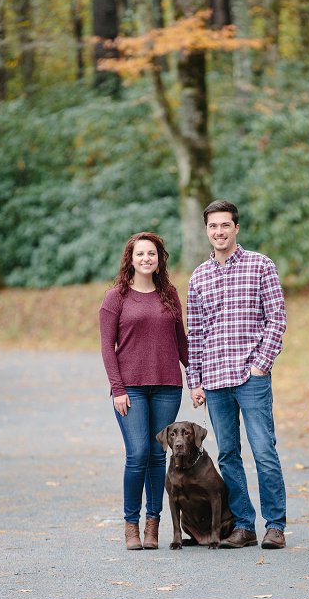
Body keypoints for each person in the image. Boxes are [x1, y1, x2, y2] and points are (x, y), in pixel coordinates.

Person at [185, 200, 288, 550]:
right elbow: (195, 334)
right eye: (213, 226)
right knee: (228, 455)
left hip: (251, 377)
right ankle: (244, 525)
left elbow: (277, 318)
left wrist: (261, 364)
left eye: (225, 225)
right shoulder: (198, 277)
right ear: (207, 231)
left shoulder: (261, 266)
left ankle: (275, 525)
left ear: (236, 228)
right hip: (214, 382)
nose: (219, 231)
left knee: (263, 451)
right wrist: (194, 381)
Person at [99, 232, 188, 550]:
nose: (146, 258)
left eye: (152, 253)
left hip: (167, 387)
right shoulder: (116, 297)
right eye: (140, 254)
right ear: (131, 258)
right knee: (137, 454)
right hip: (131, 389)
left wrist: (197, 377)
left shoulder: (170, 294)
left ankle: (153, 525)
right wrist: (117, 388)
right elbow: (107, 349)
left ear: (159, 258)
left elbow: (181, 342)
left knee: (156, 455)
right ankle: (131, 526)